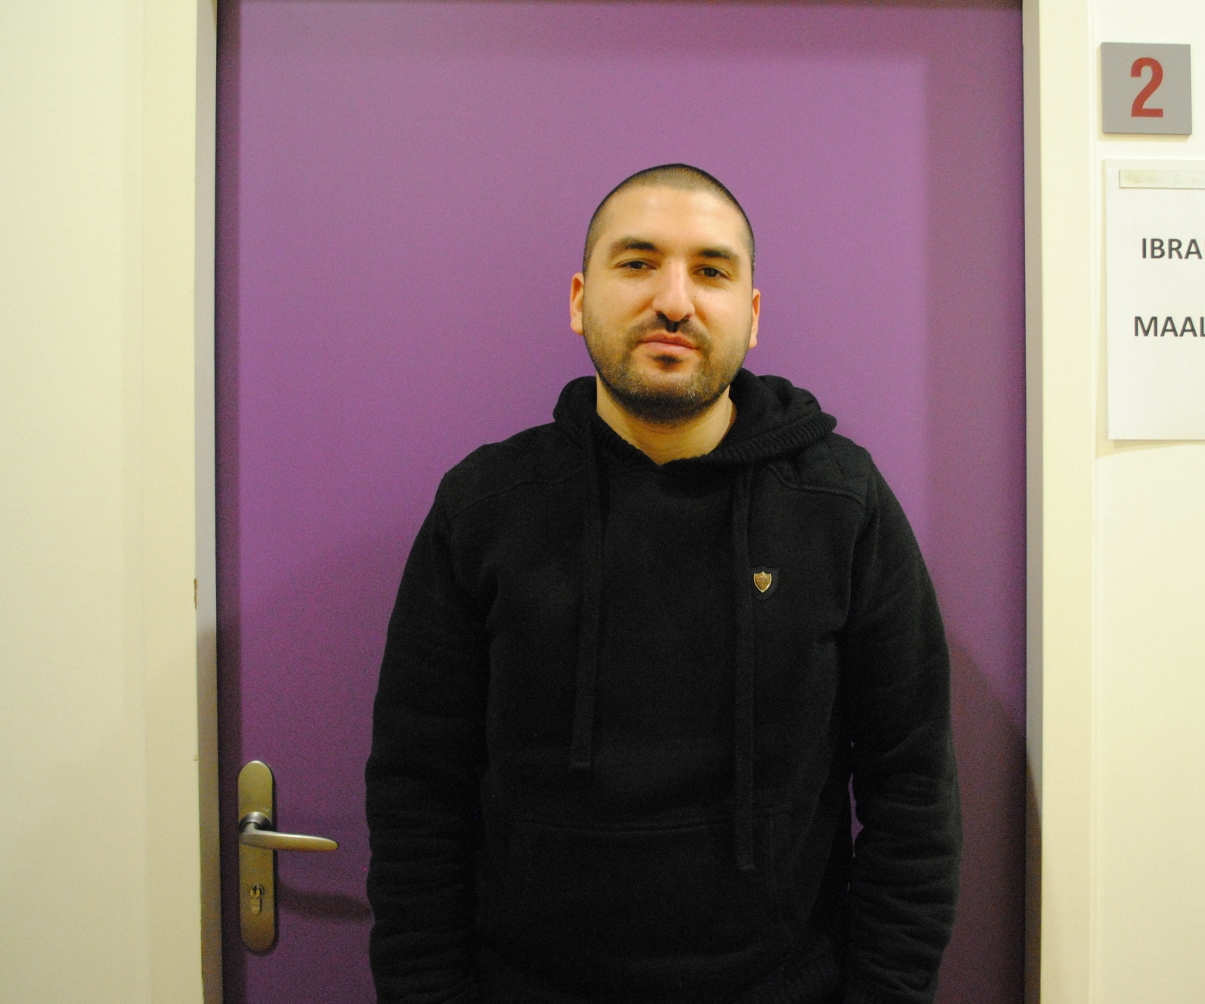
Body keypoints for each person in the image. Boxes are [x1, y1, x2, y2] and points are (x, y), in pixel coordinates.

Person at [366, 164, 960, 1004]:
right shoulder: (484, 509)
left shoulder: (841, 503)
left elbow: (914, 790)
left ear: (750, 318)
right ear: (579, 299)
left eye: (711, 271)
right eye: (638, 262)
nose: (674, 300)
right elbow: (417, 793)